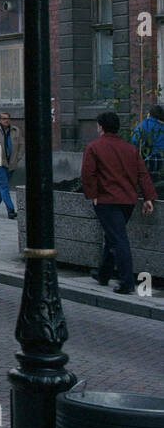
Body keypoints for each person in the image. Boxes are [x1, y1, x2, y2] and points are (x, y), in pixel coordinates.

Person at [82, 111, 157, 295]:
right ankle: (103, 274)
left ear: (100, 127)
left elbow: (88, 174)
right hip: (128, 201)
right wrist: (148, 198)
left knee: (118, 239)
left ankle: (127, 283)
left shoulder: (94, 147)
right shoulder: (130, 149)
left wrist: (93, 195)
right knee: (113, 236)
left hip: (107, 200)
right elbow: (142, 174)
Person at [130, 104, 164, 177]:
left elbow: (135, 140)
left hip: (153, 158)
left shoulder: (146, 123)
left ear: (149, 114)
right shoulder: (162, 125)